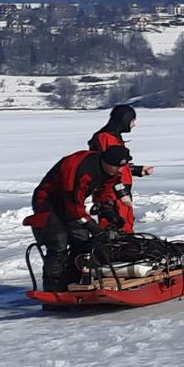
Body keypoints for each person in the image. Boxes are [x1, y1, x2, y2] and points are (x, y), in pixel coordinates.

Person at [24, 146, 130, 291]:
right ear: (105, 162)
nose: (120, 170)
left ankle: (74, 282)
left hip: (72, 203)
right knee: (58, 243)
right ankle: (53, 288)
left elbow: (106, 189)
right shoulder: (81, 170)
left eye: (122, 166)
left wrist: (108, 210)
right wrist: (94, 227)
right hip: (48, 202)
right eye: (116, 166)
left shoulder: (112, 170)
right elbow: (74, 205)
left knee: (82, 242)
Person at [87, 104, 155, 232]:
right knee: (116, 228)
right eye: (133, 121)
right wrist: (121, 192)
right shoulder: (106, 138)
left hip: (118, 192)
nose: (134, 124)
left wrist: (138, 170)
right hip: (111, 194)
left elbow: (119, 165)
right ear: (125, 119)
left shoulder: (114, 138)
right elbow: (108, 168)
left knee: (126, 226)